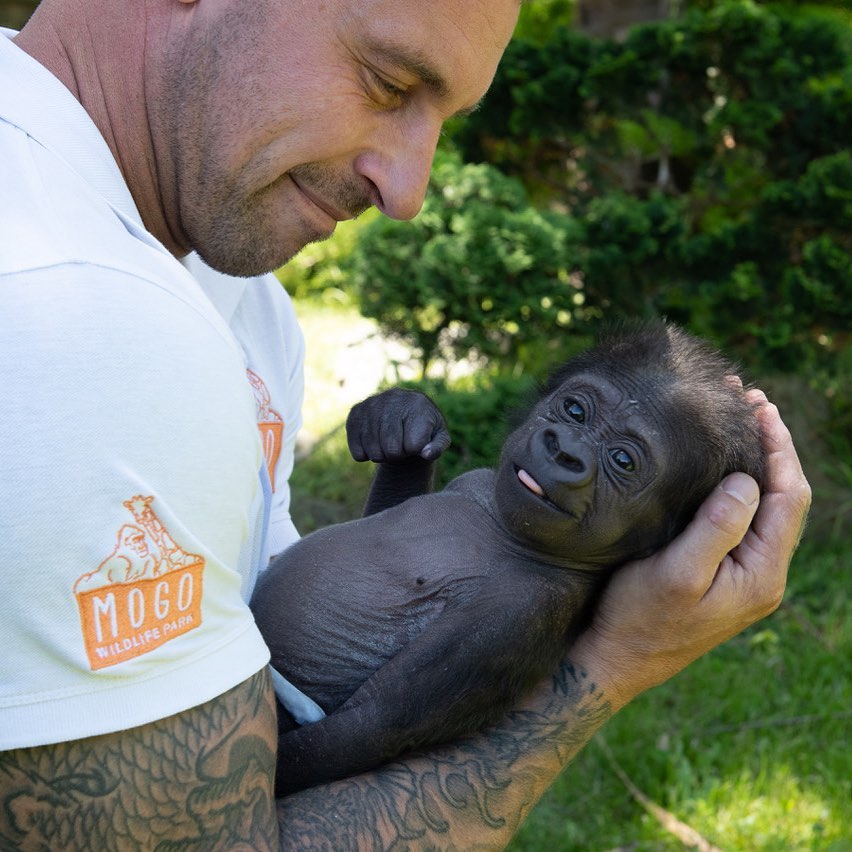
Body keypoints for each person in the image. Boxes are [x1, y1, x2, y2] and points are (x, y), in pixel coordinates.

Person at [0, 0, 810, 848]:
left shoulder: (242, 297)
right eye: (388, 82)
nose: (410, 192)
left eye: (444, 121)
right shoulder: (83, 318)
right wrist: (617, 663)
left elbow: (368, 645)